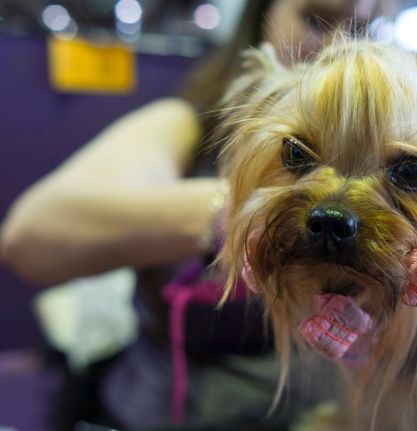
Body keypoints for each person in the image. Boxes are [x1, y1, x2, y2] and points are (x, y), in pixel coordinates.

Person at [0, 0, 393, 429]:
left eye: (365, 28)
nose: (343, 49)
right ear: (260, 17)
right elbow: (31, 237)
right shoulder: (186, 127)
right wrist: (234, 211)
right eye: (316, 21)